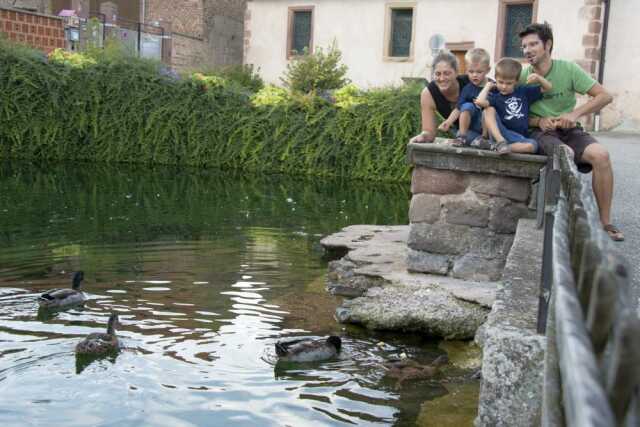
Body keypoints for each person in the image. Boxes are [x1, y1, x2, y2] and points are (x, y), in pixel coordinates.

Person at [517, 22, 623, 241]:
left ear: (548, 45)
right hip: (541, 134)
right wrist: (538, 120)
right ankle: (569, 224)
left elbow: (604, 96)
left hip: (570, 129)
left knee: (601, 156)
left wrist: (574, 115)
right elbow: (511, 113)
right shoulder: (521, 75)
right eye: (524, 46)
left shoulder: (568, 69)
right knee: (565, 155)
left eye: (533, 44)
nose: (527, 50)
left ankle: (606, 223)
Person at [477, 57, 552, 155]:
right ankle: (500, 143)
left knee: (533, 146)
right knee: (488, 110)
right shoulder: (495, 97)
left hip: (518, 137)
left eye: (509, 83)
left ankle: (495, 147)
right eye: (500, 82)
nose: (504, 86)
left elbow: (547, 88)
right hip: (500, 133)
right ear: (496, 79)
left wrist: (538, 78)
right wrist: (488, 86)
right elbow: (479, 102)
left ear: (516, 81)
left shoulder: (523, 92)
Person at [409, 51, 469, 143]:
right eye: (437, 74)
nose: (442, 78)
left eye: (447, 73)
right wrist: (423, 137)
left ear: (456, 72)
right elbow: (429, 132)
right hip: (462, 136)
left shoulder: (470, 83)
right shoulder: (428, 94)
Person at [452, 48, 493, 148]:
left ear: (488, 70)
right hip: (473, 130)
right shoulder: (467, 88)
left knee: (488, 110)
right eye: (471, 71)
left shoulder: (493, 87)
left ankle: (485, 139)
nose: (474, 75)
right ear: (466, 70)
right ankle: (462, 136)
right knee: (467, 106)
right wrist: (448, 122)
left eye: (479, 72)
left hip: (489, 129)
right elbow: (459, 107)